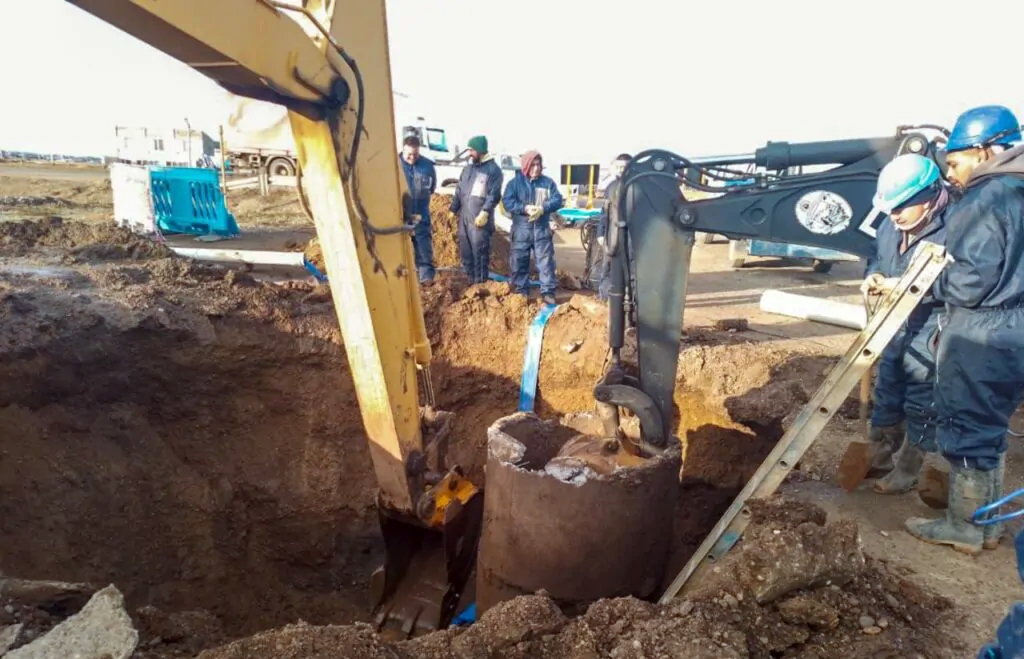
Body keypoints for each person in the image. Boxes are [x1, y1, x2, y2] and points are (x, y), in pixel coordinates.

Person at [903, 104, 1024, 555]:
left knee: (967, 423)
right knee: (990, 426)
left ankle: (965, 526)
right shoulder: (1020, 192)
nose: (951, 175)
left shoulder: (987, 197)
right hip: (1016, 329)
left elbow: (972, 280)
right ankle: (987, 526)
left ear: (984, 150)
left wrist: (932, 278)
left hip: (982, 330)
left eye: (954, 163)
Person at [859, 153, 951, 497]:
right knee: (888, 388)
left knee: (920, 398)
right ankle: (880, 452)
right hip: (894, 323)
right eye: (890, 209)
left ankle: (909, 468)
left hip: (932, 325)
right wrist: (873, 276)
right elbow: (876, 257)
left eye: (901, 208)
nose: (894, 216)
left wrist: (914, 289)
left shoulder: (953, 228)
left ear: (928, 198)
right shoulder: (890, 224)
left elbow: (964, 281)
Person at [501, 150, 564, 305]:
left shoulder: (547, 183)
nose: (536, 168)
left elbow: (557, 200)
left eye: (538, 164)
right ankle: (520, 291)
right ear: (526, 166)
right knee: (519, 261)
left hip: (542, 229)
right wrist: (524, 208)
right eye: (532, 165)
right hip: (521, 229)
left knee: (545, 263)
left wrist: (543, 208)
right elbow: (507, 202)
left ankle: (548, 292)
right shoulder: (515, 184)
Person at [450, 135, 503, 284]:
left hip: (479, 220)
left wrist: (485, 211)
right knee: (465, 252)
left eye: (472, 150)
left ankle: (479, 285)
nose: (470, 153)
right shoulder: (468, 169)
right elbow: (459, 190)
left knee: (479, 253)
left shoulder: (493, 170)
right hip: (464, 218)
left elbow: (494, 194)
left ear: (480, 150)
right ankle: (469, 283)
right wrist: (453, 209)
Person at [399, 135, 437, 283]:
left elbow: (432, 188)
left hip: (421, 216)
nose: (412, 158)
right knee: (398, 252)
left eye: (415, 154)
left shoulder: (427, 166)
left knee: (423, 251)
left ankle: (426, 282)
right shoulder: (394, 165)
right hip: (399, 217)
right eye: (408, 154)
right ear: (402, 150)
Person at [596, 153, 633, 301]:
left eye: (624, 167)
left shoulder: (637, 188)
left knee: (631, 274)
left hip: (632, 239)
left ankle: (632, 305)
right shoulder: (610, 188)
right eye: (618, 167)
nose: (621, 170)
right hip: (612, 237)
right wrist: (600, 233)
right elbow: (604, 214)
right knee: (608, 271)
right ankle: (605, 301)